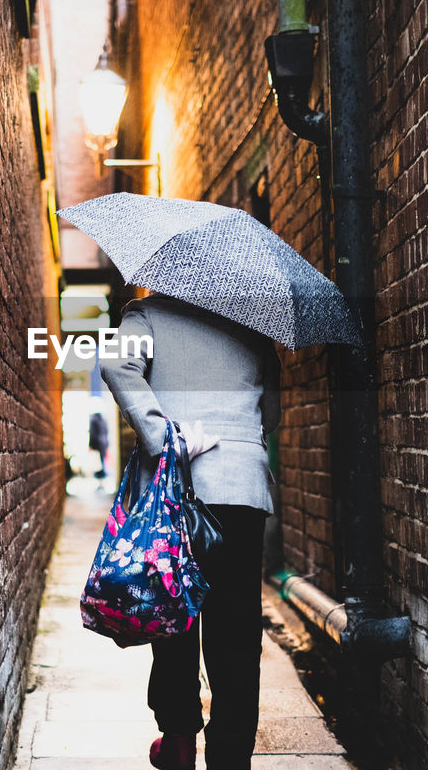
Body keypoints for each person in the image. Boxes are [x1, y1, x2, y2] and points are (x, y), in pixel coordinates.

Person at [100, 292, 280, 770]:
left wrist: (164, 438)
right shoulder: (251, 319)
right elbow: (273, 410)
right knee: (237, 630)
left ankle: (178, 736)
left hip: (175, 488)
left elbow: (118, 366)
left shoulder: (148, 314)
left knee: (172, 613)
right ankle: (230, 754)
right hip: (241, 488)